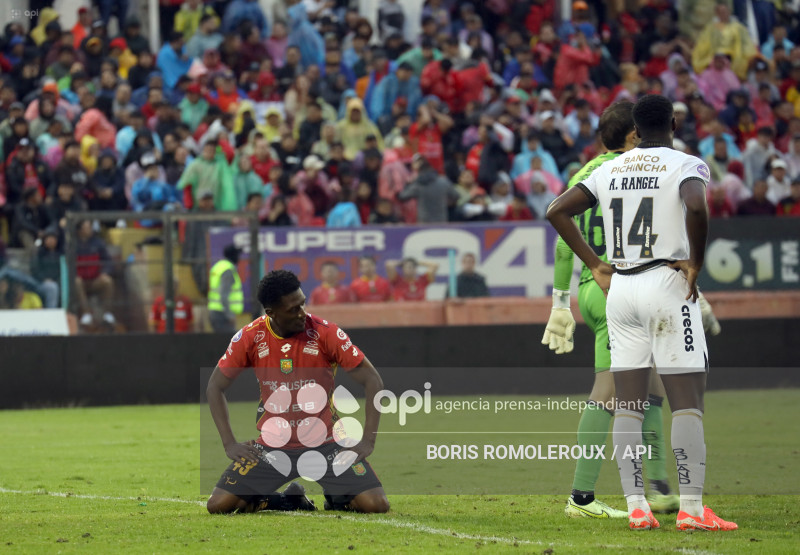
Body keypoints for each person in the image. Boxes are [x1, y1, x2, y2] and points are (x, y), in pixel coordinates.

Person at [546, 94, 737, 532]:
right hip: (665, 284)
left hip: (621, 290)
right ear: (672, 122)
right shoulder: (684, 163)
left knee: (627, 403)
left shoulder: (608, 168)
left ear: (636, 125)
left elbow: (556, 211)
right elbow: (695, 205)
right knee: (687, 401)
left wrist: (594, 262)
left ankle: (636, 506)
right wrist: (696, 264)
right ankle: (691, 508)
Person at [544, 101, 684, 520]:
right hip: (619, 285)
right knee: (608, 390)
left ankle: (659, 488)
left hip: (594, 288)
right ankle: (581, 497)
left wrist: (559, 302)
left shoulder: (585, 173)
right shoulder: (638, 172)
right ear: (632, 136)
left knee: (653, 381)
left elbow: (559, 237)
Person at [205, 269, 389, 514]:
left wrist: (368, 441)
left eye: (302, 304)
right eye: (293, 309)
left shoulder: (325, 332)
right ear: (271, 313)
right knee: (219, 506)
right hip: (272, 447)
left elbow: (372, 380)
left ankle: (337, 498)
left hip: (328, 444)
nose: (302, 313)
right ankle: (284, 500)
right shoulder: (250, 337)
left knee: (375, 505)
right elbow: (214, 387)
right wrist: (229, 444)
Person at [73, 219, 115, 328]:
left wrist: (105, 272)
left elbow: (108, 260)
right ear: (79, 230)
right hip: (80, 281)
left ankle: (107, 314)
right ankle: (86, 314)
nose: (90, 230)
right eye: (86, 227)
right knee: (76, 282)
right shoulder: (72, 244)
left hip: (95, 279)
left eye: (90, 227)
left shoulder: (98, 242)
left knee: (107, 281)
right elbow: (68, 265)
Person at [208, 244, 244, 334]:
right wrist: (230, 315)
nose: (239, 258)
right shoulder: (227, 270)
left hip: (216, 312)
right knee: (232, 342)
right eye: (237, 255)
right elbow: (224, 295)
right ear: (233, 255)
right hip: (222, 314)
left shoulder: (219, 266)